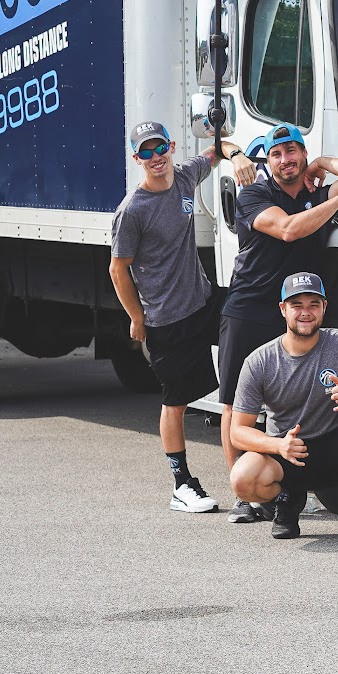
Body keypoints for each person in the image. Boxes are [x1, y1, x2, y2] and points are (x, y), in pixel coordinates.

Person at [217, 123, 338, 522]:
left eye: (292, 151)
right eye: (276, 154)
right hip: (249, 309)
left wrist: (322, 163)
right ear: (268, 162)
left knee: (301, 398)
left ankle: (295, 487)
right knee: (234, 404)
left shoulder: (315, 193)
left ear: (302, 154)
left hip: (297, 312)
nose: (285, 160)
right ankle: (245, 498)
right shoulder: (254, 195)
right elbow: (287, 230)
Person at [108, 120, 253, 515]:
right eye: (146, 151)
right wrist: (137, 317)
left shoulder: (186, 175)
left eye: (160, 148)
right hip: (167, 319)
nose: (156, 157)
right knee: (176, 402)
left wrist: (238, 155)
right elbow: (118, 270)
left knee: (256, 344)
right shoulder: (132, 211)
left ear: (171, 147)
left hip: (205, 302)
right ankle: (182, 485)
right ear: (137, 158)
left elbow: (217, 148)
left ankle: (272, 468)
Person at [227, 273, 338, 547]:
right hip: (287, 453)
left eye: (313, 304)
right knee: (242, 479)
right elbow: (238, 431)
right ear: (283, 309)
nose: (306, 312)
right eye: (297, 305)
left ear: (324, 307)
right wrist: (278, 445)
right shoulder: (259, 361)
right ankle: (286, 500)